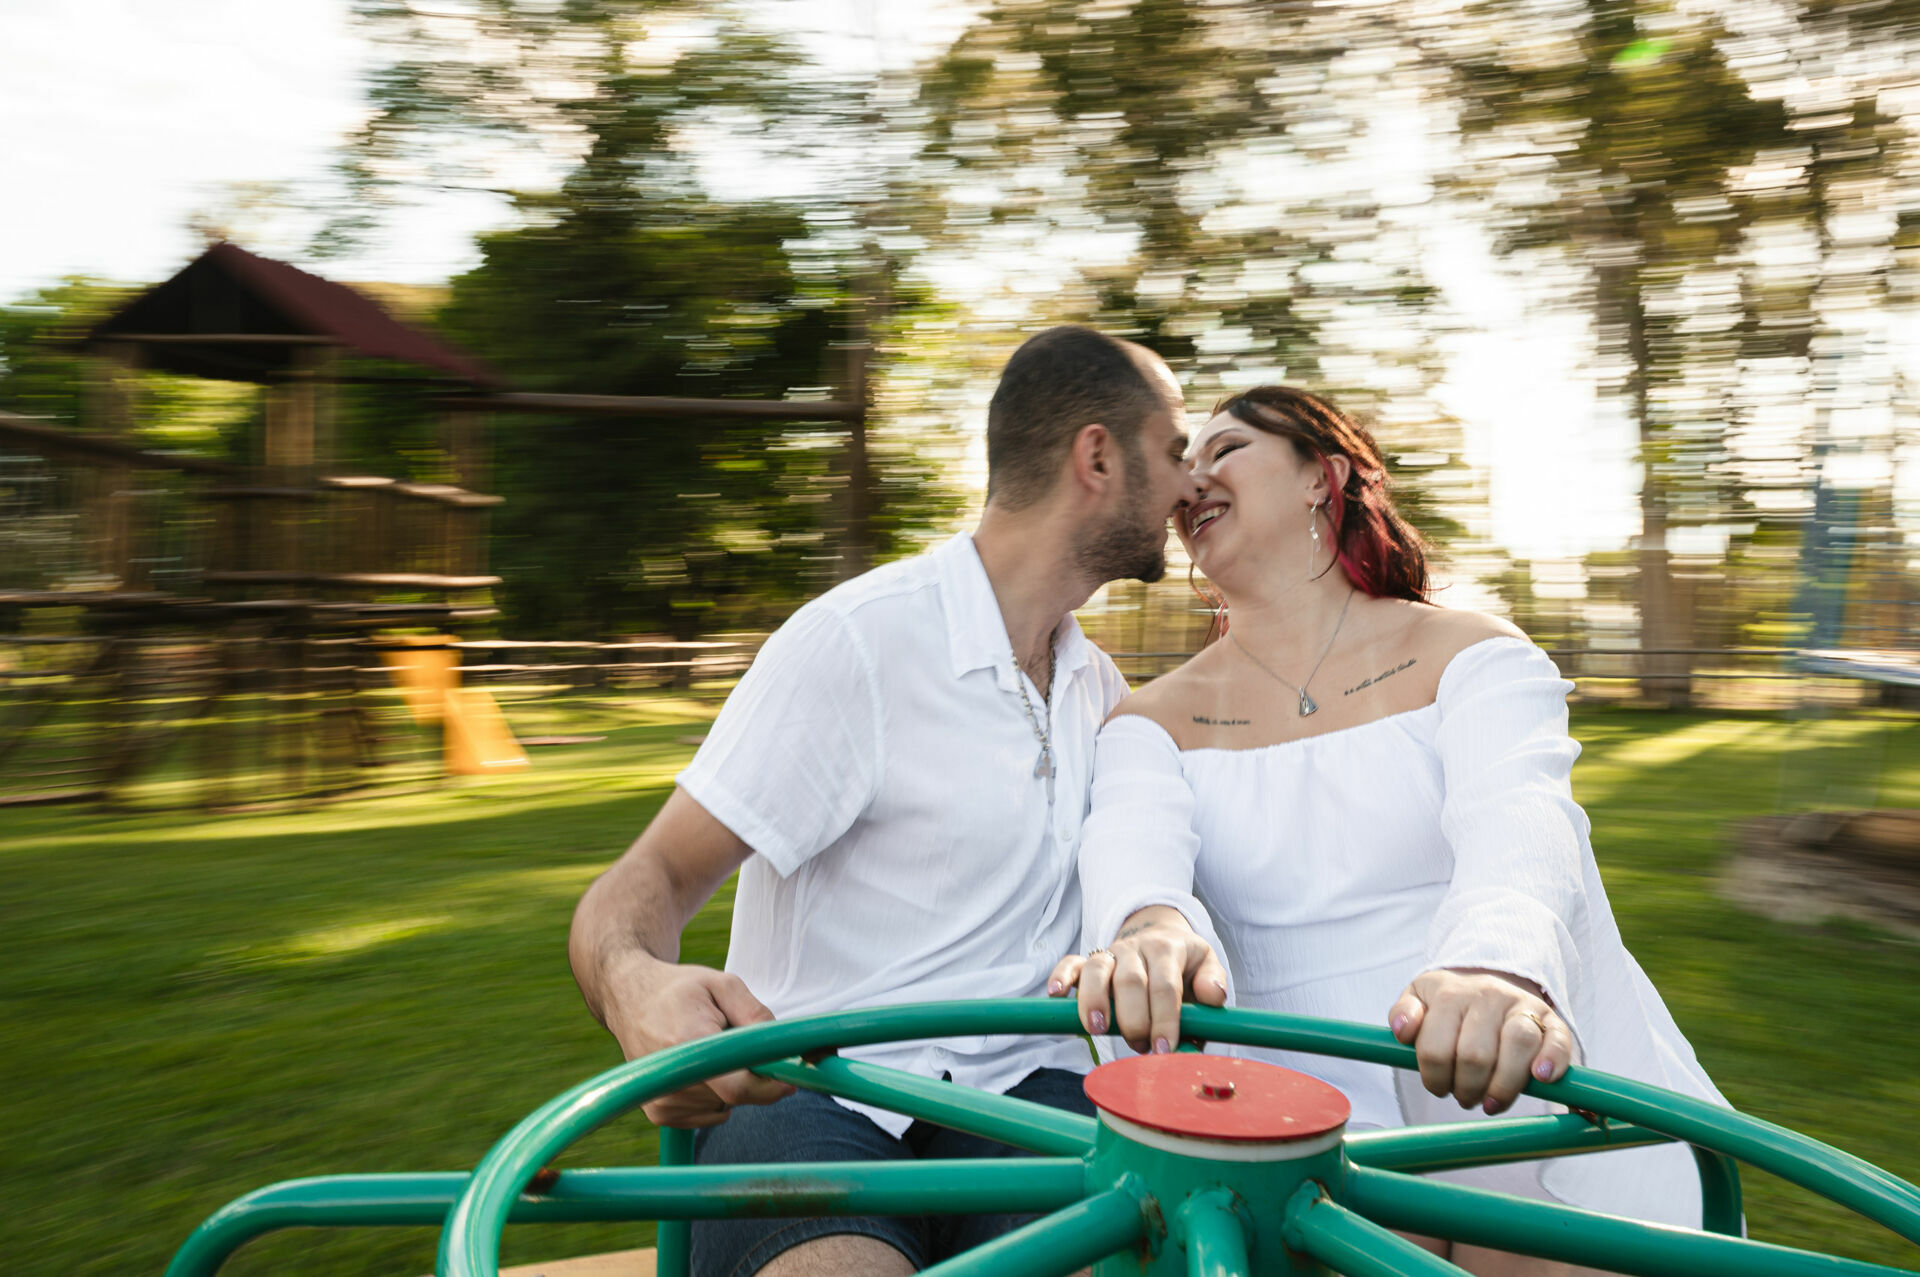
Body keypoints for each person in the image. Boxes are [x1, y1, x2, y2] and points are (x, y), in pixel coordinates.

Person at [1053, 385, 1730, 1273]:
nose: (1193, 479)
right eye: (1187, 462)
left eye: (1227, 448)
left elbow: (1521, 823)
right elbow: (1135, 853)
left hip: (1522, 1080)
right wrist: (1147, 925)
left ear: (1320, 478)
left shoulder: (1471, 653)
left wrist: (1493, 968)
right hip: (1318, 1130)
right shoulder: (1150, 720)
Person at [568, 325, 1196, 1277]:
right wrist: (633, 986)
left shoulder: (1101, 692)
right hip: (812, 1094)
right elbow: (645, 878)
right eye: (1176, 450)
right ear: (1099, 457)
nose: (1191, 484)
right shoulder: (857, 645)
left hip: (1023, 1105)